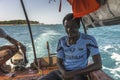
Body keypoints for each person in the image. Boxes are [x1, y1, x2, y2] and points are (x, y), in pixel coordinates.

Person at [39, 13, 102, 80]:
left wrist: (72, 73)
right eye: (67, 27)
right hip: (63, 72)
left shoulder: (89, 40)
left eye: (73, 26)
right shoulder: (61, 41)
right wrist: (64, 73)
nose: (69, 29)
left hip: (79, 73)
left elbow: (98, 64)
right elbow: (58, 62)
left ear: (78, 25)